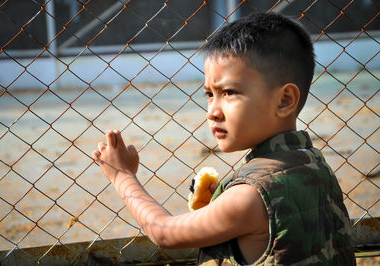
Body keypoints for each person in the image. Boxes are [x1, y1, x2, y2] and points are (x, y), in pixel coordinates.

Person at [92, 12, 355, 265]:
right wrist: (217, 205)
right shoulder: (317, 166)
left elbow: (164, 232)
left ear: (285, 100)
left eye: (229, 92)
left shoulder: (248, 197)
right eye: (209, 94)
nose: (213, 112)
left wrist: (122, 176)